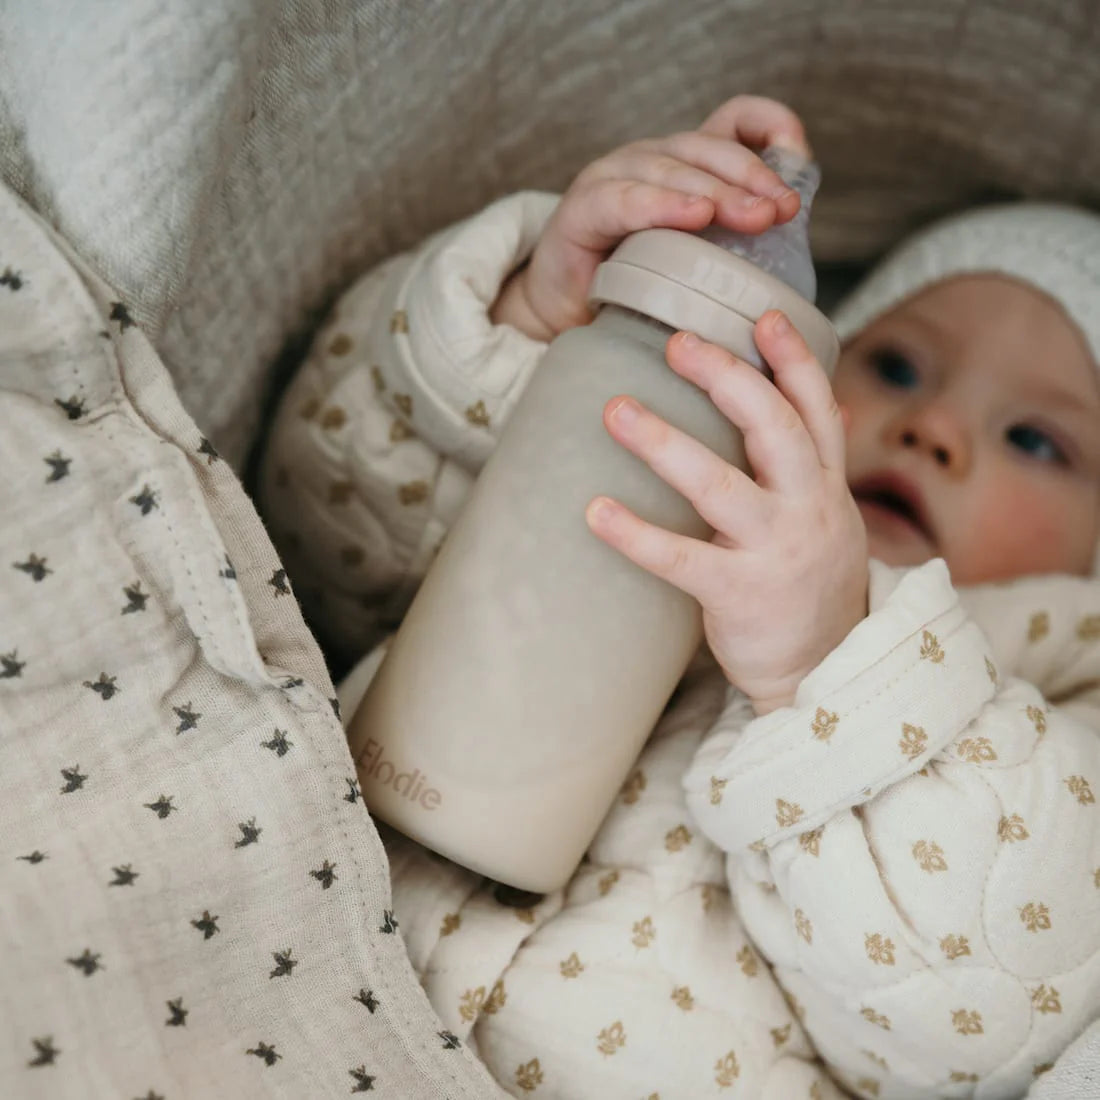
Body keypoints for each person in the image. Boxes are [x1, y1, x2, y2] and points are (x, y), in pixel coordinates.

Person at [258, 96, 1100, 1099]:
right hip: (284, 970)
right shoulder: (657, 463)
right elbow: (322, 551)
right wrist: (532, 328)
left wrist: (826, 666)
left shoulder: (1059, 676)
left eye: (1035, 439)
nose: (930, 428)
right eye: (895, 364)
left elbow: (983, 1012)